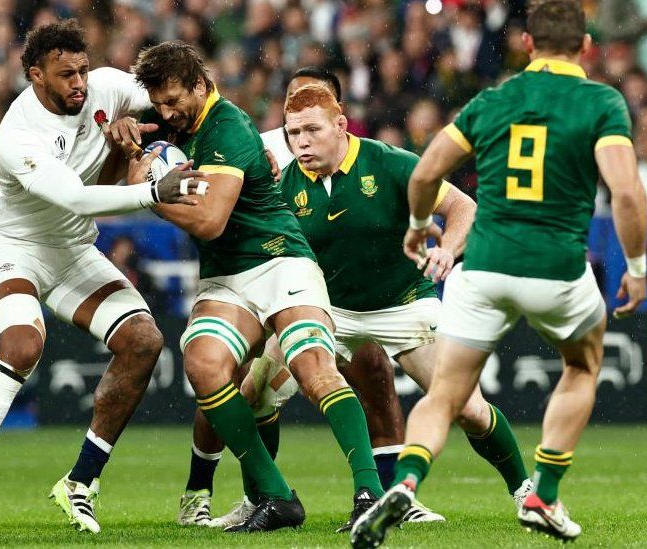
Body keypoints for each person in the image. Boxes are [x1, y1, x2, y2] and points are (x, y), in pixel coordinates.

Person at [352, 2, 647, 546]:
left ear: (528, 46)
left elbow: (425, 172)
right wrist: (637, 268)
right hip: (557, 266)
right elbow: (626, 192)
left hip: (482, 266)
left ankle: (409, 479)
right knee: (581, 367)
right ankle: (545, 493)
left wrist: (418, 226)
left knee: (445, 394)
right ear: (585, 47)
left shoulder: (492, 101)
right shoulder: (600, 101)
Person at [0, 20, 203, 538]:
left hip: (74, 250)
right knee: (20, 346)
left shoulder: (107, 86)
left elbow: (180, 100)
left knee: (144, 341)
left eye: (82, 69)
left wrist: (236, 143)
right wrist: (154, 191)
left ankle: (79, 482)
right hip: (14, 249)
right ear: (35, 75)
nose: (79, 82)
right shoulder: (17, 134)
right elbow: (76, 197)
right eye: (65, 74)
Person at [133, 41, 382, 533]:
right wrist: (126, 143)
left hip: (279, 261)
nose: (165, 113)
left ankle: (370, 492)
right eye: (158, 104)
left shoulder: (227, 126)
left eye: (173, 101)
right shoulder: (174, 125)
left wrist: (153, 194)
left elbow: (208, 221)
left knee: (313, 367)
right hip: (226, 277)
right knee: (204, 365)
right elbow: (127, 174)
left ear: (200, 87)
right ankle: (275, 497)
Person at [177, 67, 429, 530]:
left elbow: (447, 204)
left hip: (340, 295)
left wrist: (435, 241)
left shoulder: (374, 159)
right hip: (261, 286)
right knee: (238, 386)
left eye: (312, 117)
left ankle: (381, 492)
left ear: (339, 117)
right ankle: (246, 494)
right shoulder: (263, 144)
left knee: (347, 374)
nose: (300, 131)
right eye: (293, 114)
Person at [278, 83, 530, 530]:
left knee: (467, 408)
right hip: (328, 311)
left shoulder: (390, 163)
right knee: (258, 386)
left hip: (403, 303)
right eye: (292, 132)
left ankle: (524, 492)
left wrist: (449, 250)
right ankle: (265, 496)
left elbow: (463, 208)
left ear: (340, 125)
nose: (301, 142)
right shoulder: (286, 184)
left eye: (311, 130)